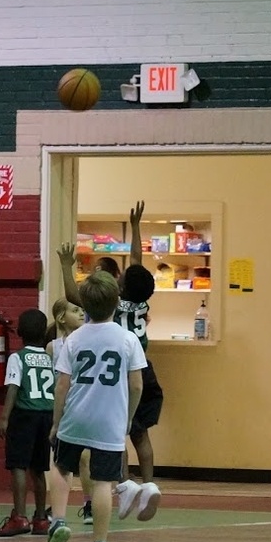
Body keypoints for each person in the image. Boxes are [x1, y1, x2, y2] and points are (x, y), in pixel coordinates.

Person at [59, 202, 162, 520]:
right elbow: (137, 264)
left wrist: (66, 265)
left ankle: (124, 484)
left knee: (115, 433)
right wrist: (135, 227)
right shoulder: (142, 302)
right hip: (144, 367)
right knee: (141, 435)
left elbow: (76, 296)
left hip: (119, 367)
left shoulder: (114, 305)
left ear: (121, 288)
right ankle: (149, 486)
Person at [43, 270, 148, 542]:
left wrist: (56, 422)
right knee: (103, 482)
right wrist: (127, 418)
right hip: (109, 421)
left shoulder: (74, 339)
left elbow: (62, 385)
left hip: (75, 417)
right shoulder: (128, 339)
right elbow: (137, 385)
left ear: (84, 306)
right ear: (117, 301)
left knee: (63, 468)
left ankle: (58, 520)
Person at [0, 309, 54, 536]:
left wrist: (4, 418)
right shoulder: (49, 359)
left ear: (19, 332)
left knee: (18, 465)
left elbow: (13, 388)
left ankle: (19, 517)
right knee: (39, 469)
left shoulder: (17, 358)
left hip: (24, 414)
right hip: (46, 414)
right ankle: (40, 519)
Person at [45, 287, 96, 525]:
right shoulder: (53, 346)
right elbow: (53, 381)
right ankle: (57, 507)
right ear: (61, 317)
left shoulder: (86, 342)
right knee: (61, 462)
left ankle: (88, 503)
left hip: (82, 404)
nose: (80, 314)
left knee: (85, 458)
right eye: (75, 310)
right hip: (62, 407)